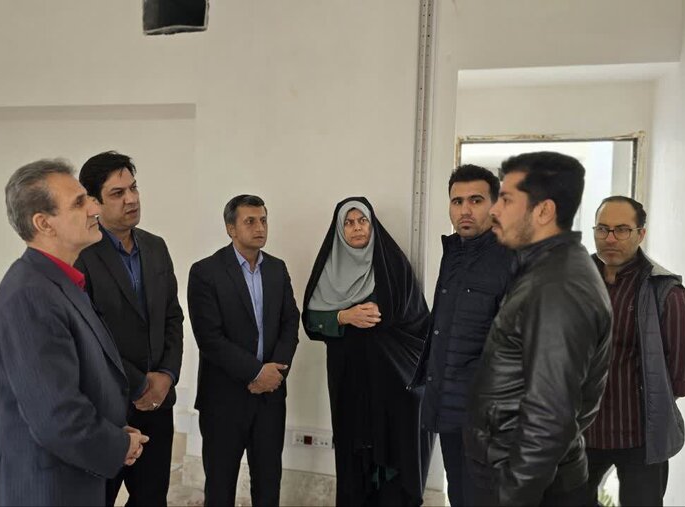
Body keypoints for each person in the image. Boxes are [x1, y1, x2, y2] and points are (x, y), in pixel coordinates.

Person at [0, 159, 148, 506]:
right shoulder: (29, 297)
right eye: (79, 202)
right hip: (43, 489)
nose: (94, 209)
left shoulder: (57, 281)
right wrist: (118, 445)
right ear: (44, 223)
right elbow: (58, 418)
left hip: (67, 478)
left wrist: (113, 431)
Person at [464, 151, 613, 506]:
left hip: (529, 487)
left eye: (506, 199)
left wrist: (511, 496)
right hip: (526, 475)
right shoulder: (547, 270)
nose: (494, 210)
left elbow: (549, 419)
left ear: (543, 211)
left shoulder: (556, 288)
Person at [303, 197, 431, 506]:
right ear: (339, 229)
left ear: (372, 226)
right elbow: (310, 321)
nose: (357, 227)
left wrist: (383, 314)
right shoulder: (327, 271)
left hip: (393, 381)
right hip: (349, 379)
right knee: (353, 453)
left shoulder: (392, 265)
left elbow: (419, 324)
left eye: (363, 221)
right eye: (349, 222)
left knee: (394, 454)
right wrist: (342, 316)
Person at [75, 151, 185, 506]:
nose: (132, 199)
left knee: (151, 498)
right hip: (107, 408)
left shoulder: (156, 247)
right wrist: (140, 384)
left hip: (159, 405)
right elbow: (88, 337)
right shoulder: (81, 255)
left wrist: (166, 375)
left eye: (133, 188)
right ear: (94, 202)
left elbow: (173, 317)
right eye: (118, 193)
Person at [585, 196, 685, 506]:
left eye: (622, 229)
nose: (610, 238)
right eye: (603, 229)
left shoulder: (665, 292)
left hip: (639, 439)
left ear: (641, 234)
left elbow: (682, 375)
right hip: (579, 435)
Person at [410, 166, 514, 506]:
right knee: (460, 494)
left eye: (476, 200)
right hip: (450, 406)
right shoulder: (455, 252)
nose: (465, 210)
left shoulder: (512, 257)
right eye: (457, 201)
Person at [187, 194, 300, 506]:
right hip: (223, 400)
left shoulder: (277, 269)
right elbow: (209, 338)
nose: (260, 227)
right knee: (220, 487)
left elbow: (290, 322)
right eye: (250, 221)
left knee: (268, 485)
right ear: (231, 228)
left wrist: (275, 371)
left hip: (270, 398)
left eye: (263, 220)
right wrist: (255, 372)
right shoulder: (206, 272)